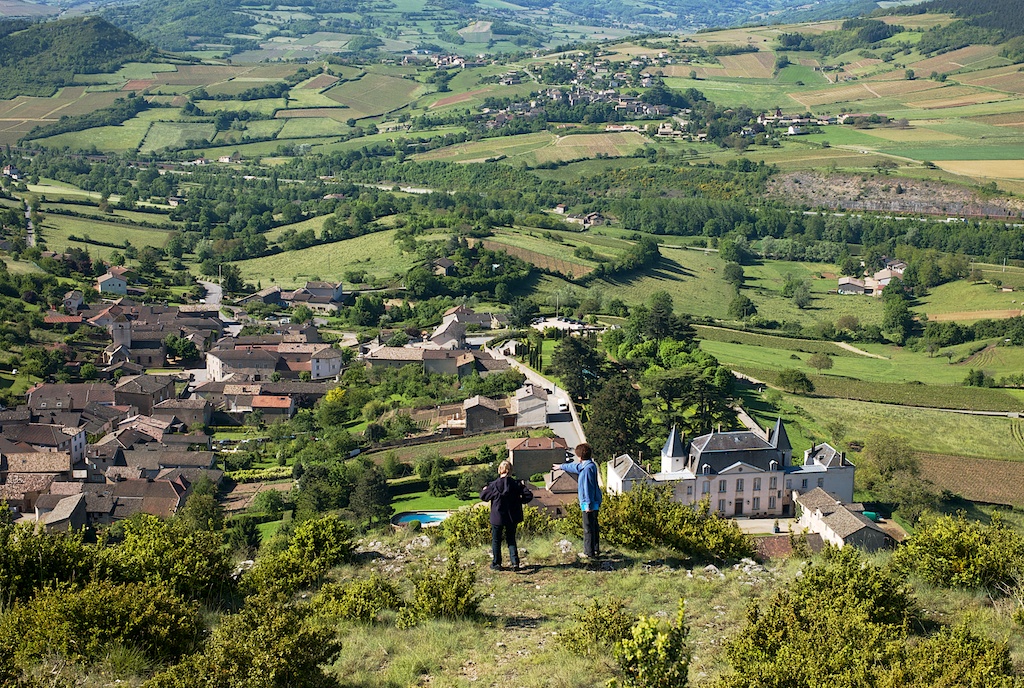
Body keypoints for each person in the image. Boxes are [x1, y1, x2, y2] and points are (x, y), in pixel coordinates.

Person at [480, 460, 534, 571]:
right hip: (512, 516)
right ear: (511, 471)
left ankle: (496, 563)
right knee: (511, 539)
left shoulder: (494, 485)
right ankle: (515, 563)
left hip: (497, 516)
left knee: (496, 540)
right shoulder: (517, 484)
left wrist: (485, 490)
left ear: (500, 470)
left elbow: (483, 497)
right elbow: (528, 495)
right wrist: (519, 501)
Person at [553, 442, 602, 559]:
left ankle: (588, 553)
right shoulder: (590, 465)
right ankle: (595, 549)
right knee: (594, 526)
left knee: (588, 528)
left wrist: (588, 504)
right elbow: (574, 467)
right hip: (595, 502)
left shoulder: (586, 470)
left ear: (579, 457)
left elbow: (587, 487)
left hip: (588, 503)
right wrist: (561, 466)